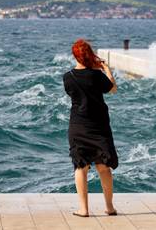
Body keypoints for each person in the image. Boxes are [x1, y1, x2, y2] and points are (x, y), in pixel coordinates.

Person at [63, 39, 119, 217]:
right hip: (99, 126)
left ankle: (84, 209)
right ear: (89, 54)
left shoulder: (68, 77)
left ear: (75, 56)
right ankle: (109, 207)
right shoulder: (97, 75)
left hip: (78, 126)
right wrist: (106, 69)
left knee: (80, 167)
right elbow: (113, 89)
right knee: (103, 167)